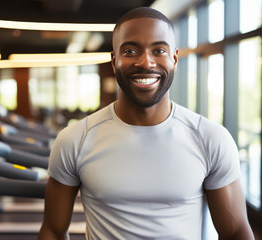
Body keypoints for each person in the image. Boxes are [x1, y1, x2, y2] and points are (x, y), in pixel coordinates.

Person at [38, 7, 254, 240]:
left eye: (159, 50)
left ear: (174, 59)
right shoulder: (75, 139)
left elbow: (235, 232)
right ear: (114, 61)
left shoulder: (211, 139)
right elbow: (53, 230)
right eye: (131, 51)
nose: (146, 62)